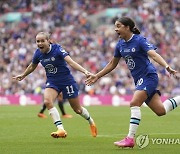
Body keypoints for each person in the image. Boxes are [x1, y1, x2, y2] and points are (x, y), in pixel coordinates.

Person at [85, 16, 180, 148]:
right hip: (139, 80)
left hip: (149, 76)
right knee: (161, 111)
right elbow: (113, 64)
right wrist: (97, 76)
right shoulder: (120, 45)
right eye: (115, 26)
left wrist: (167, 67)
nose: (115, 29)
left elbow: (153, 54)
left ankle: (130, 139)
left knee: (134, 102)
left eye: (118, 26)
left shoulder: (139, 40)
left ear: (127, 27)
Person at [13, 32, 97, 138]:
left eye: (42, 41)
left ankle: (91, 122)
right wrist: (23, 75)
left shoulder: (57, 49)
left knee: (77, 110)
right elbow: (32, 66)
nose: (40, 43)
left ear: (48, 41)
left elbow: (71, 62)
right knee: (47, 101)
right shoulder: (38, 53)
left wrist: (85, 72)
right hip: (53, 82)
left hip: (67, 81)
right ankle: (60, 129)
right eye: (37, 41)